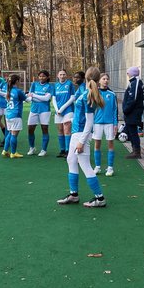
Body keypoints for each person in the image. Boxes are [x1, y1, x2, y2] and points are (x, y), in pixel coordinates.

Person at [58, 66, 107, 208]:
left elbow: (89, 122)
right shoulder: (86, 92)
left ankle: (100, 198)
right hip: (77, 133)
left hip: (81, 134)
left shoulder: (88, 94)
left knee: (85, 164)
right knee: (71, 160)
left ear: (86, 76)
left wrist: (81, 141)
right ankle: (74, 195)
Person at [92, 72, 119, 176]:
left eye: (107, 79)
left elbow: (115, 110)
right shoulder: (95, 93)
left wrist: (115, 124)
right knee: (97, 145)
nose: (105, 80)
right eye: (103, 79)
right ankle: (97, 167)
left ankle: (110, 168)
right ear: (99, 81)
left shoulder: (112, 94)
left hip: (109, 123)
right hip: (97, 123)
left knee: (110, 144)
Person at [52, 70, 80, 158]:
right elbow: (53, 98)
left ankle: (68, 151)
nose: (62, 76)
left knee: (67, 130)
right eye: (60, 74)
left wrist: (63, 108)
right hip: (58, 111)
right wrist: (57, 109)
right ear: (58, 75)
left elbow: (72, 97)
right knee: (60, 130)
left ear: (66, 76)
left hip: (68, 110)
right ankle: (62, 150)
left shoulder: (70, 84)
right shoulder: (55, 85)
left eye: (64, 74)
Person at [27, 70, 54, 156]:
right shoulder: (34, 84)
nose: (41, 78)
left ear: (47, 77)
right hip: (34, 109)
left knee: (44, 129)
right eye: (40, 76)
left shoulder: (50, 86)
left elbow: (47, 99)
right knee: (30, 129)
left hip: (45, 110)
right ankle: (32, 148)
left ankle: (44, 150)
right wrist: (41, 97)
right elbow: (30, 97)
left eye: (43, 76)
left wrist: (34, 95)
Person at [121, 66, 144, 159]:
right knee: (131, 131)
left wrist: (126, 109)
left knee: (133, 131)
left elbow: (133, 97)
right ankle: (135, 150)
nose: (127, 74)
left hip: (133, 112)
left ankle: (136, 152)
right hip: (133, 111)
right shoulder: (134, 82)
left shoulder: (135, 82)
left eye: (128, 73)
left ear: (132, 73)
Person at [2, 74, 27, 158]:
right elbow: (27, 100)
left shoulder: (9, 90)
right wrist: (30, 95)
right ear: (16, 81)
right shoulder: (18, 91)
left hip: (8, 114)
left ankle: (5, 150)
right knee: (14, 134)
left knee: (9, 133)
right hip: (15, 114)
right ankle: (13, 152)